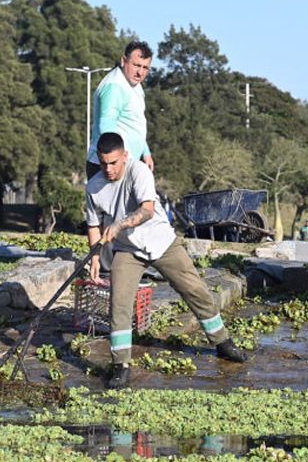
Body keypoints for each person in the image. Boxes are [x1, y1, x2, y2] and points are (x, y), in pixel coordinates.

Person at [85, 132, 245, 388]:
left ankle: (222, 341)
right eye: (103, 163)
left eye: (113, 163)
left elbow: (147, 210)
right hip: (128, 250)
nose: (109, 169)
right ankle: (120, 364)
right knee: (119, 303)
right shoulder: (93, 186)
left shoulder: (139, 172)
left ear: (124, 156)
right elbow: (93, 224)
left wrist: (118, 225)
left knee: (195, 289)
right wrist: (94, 257)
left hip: (161, 241)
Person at [85, 41, 154, 179]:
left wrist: (145, 152)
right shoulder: (114, 87)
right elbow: (106, 127)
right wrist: (116, 164)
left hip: (126, 164)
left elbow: (134, 122)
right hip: (108, 167)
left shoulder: (134, 85)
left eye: (145, 67)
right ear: (123, 61)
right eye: (136, 65)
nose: (140, 72)